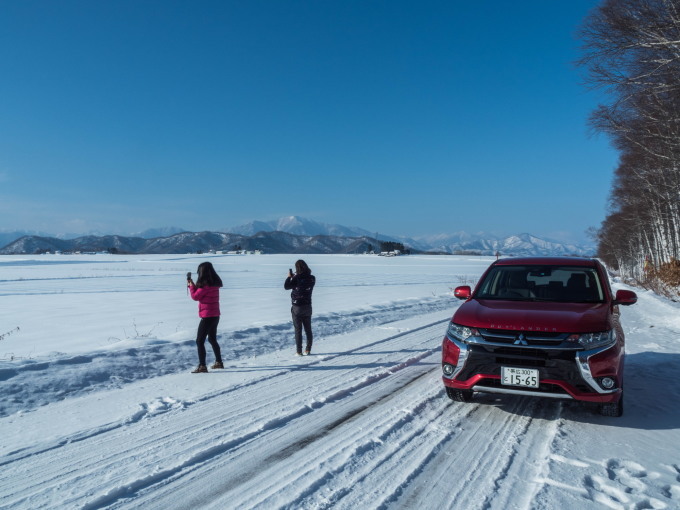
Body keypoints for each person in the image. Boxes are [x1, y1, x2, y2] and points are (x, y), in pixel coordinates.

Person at [188, 261, 224, 373]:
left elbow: (195, 297)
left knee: (199, 341)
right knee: (212, 339)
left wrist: (191, 286)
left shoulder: (205, 286)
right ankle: (219, 362)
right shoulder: (214, 284)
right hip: (215, 315)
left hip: (207, 316)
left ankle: (202, 366)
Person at [284, 259, 316, 356]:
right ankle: (308, 349)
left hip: (297, 307)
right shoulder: (312, 278)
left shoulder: (296, 278)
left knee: (298, 330)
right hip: (307, 306)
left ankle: (299, 351)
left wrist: (289, 277)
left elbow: (286, 286)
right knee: (308, 329)